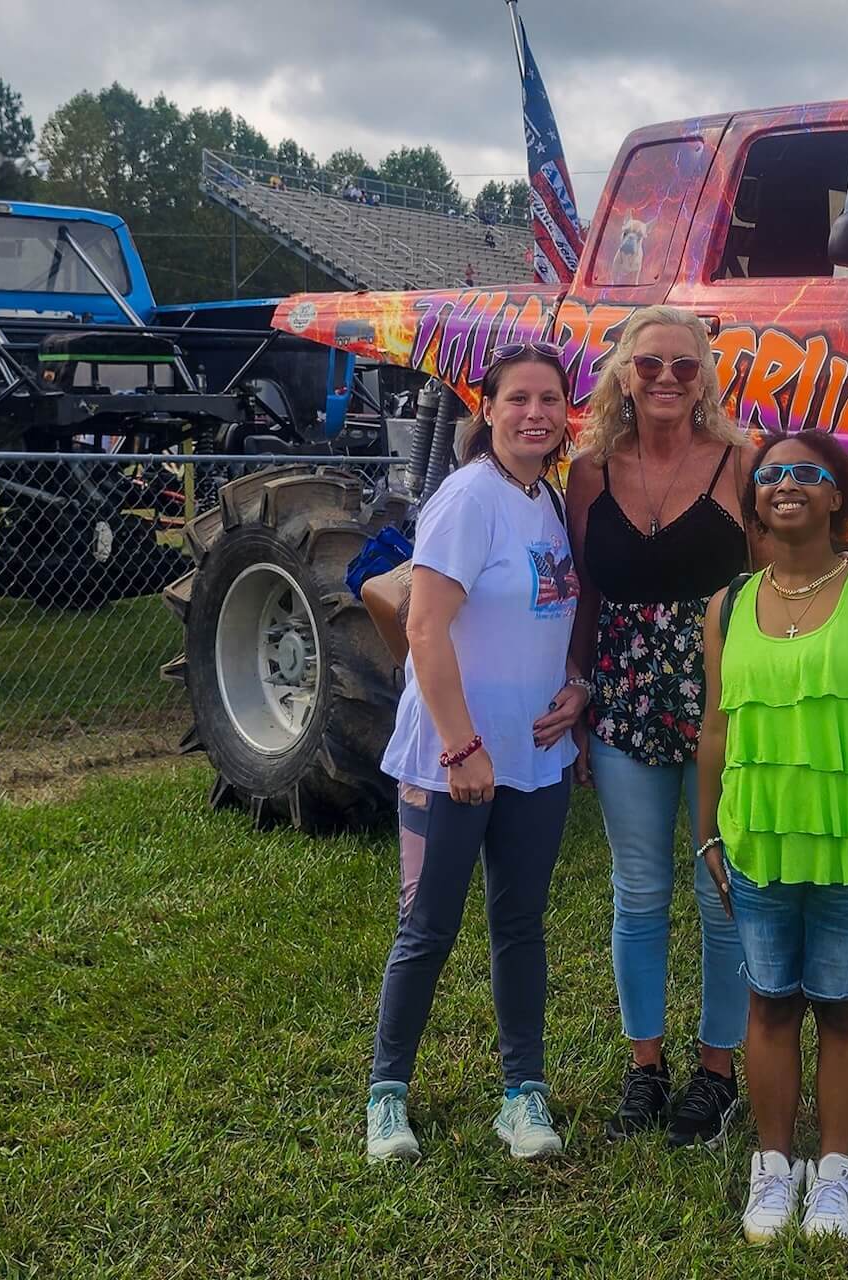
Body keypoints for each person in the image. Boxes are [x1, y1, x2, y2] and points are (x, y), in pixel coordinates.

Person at [697, 430, 848, 1241]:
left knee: (841, 1008)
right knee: (767, 1004)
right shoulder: (726, 607)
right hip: (758, 839)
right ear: (755, 500)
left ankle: (833, 1172)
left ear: (838, 496)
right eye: (769, 476)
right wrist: (707, 835)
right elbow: (716, 733)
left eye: (806, 474)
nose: (785, 485)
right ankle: (773, 1166)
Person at [363, 342, 588, 1162]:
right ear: (486, 410)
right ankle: (387, 1096)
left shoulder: (548, 500)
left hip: (535, 760)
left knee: (520, 925)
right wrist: (463, 750)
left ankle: (522, 1093)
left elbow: (551, 614)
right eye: (518, 399)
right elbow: (422, 626)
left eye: (550, 400)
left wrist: (575, 683)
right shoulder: (468, 499)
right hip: (451, 763)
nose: (535, 413)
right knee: (426, 929)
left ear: (567, 415)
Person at [566, 305, 755, 1147]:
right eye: (650, 365)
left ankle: (719, 1075)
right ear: (623, 375)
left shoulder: (741, 465)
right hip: (622, 699)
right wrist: (576, 688)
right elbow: (584, 593)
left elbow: (776, 577)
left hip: (726, 702)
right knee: (638, 893)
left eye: (685, 365)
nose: (667, 378)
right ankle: (647, 1066)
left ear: (706, 375)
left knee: (724, 895)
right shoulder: (590, 472)